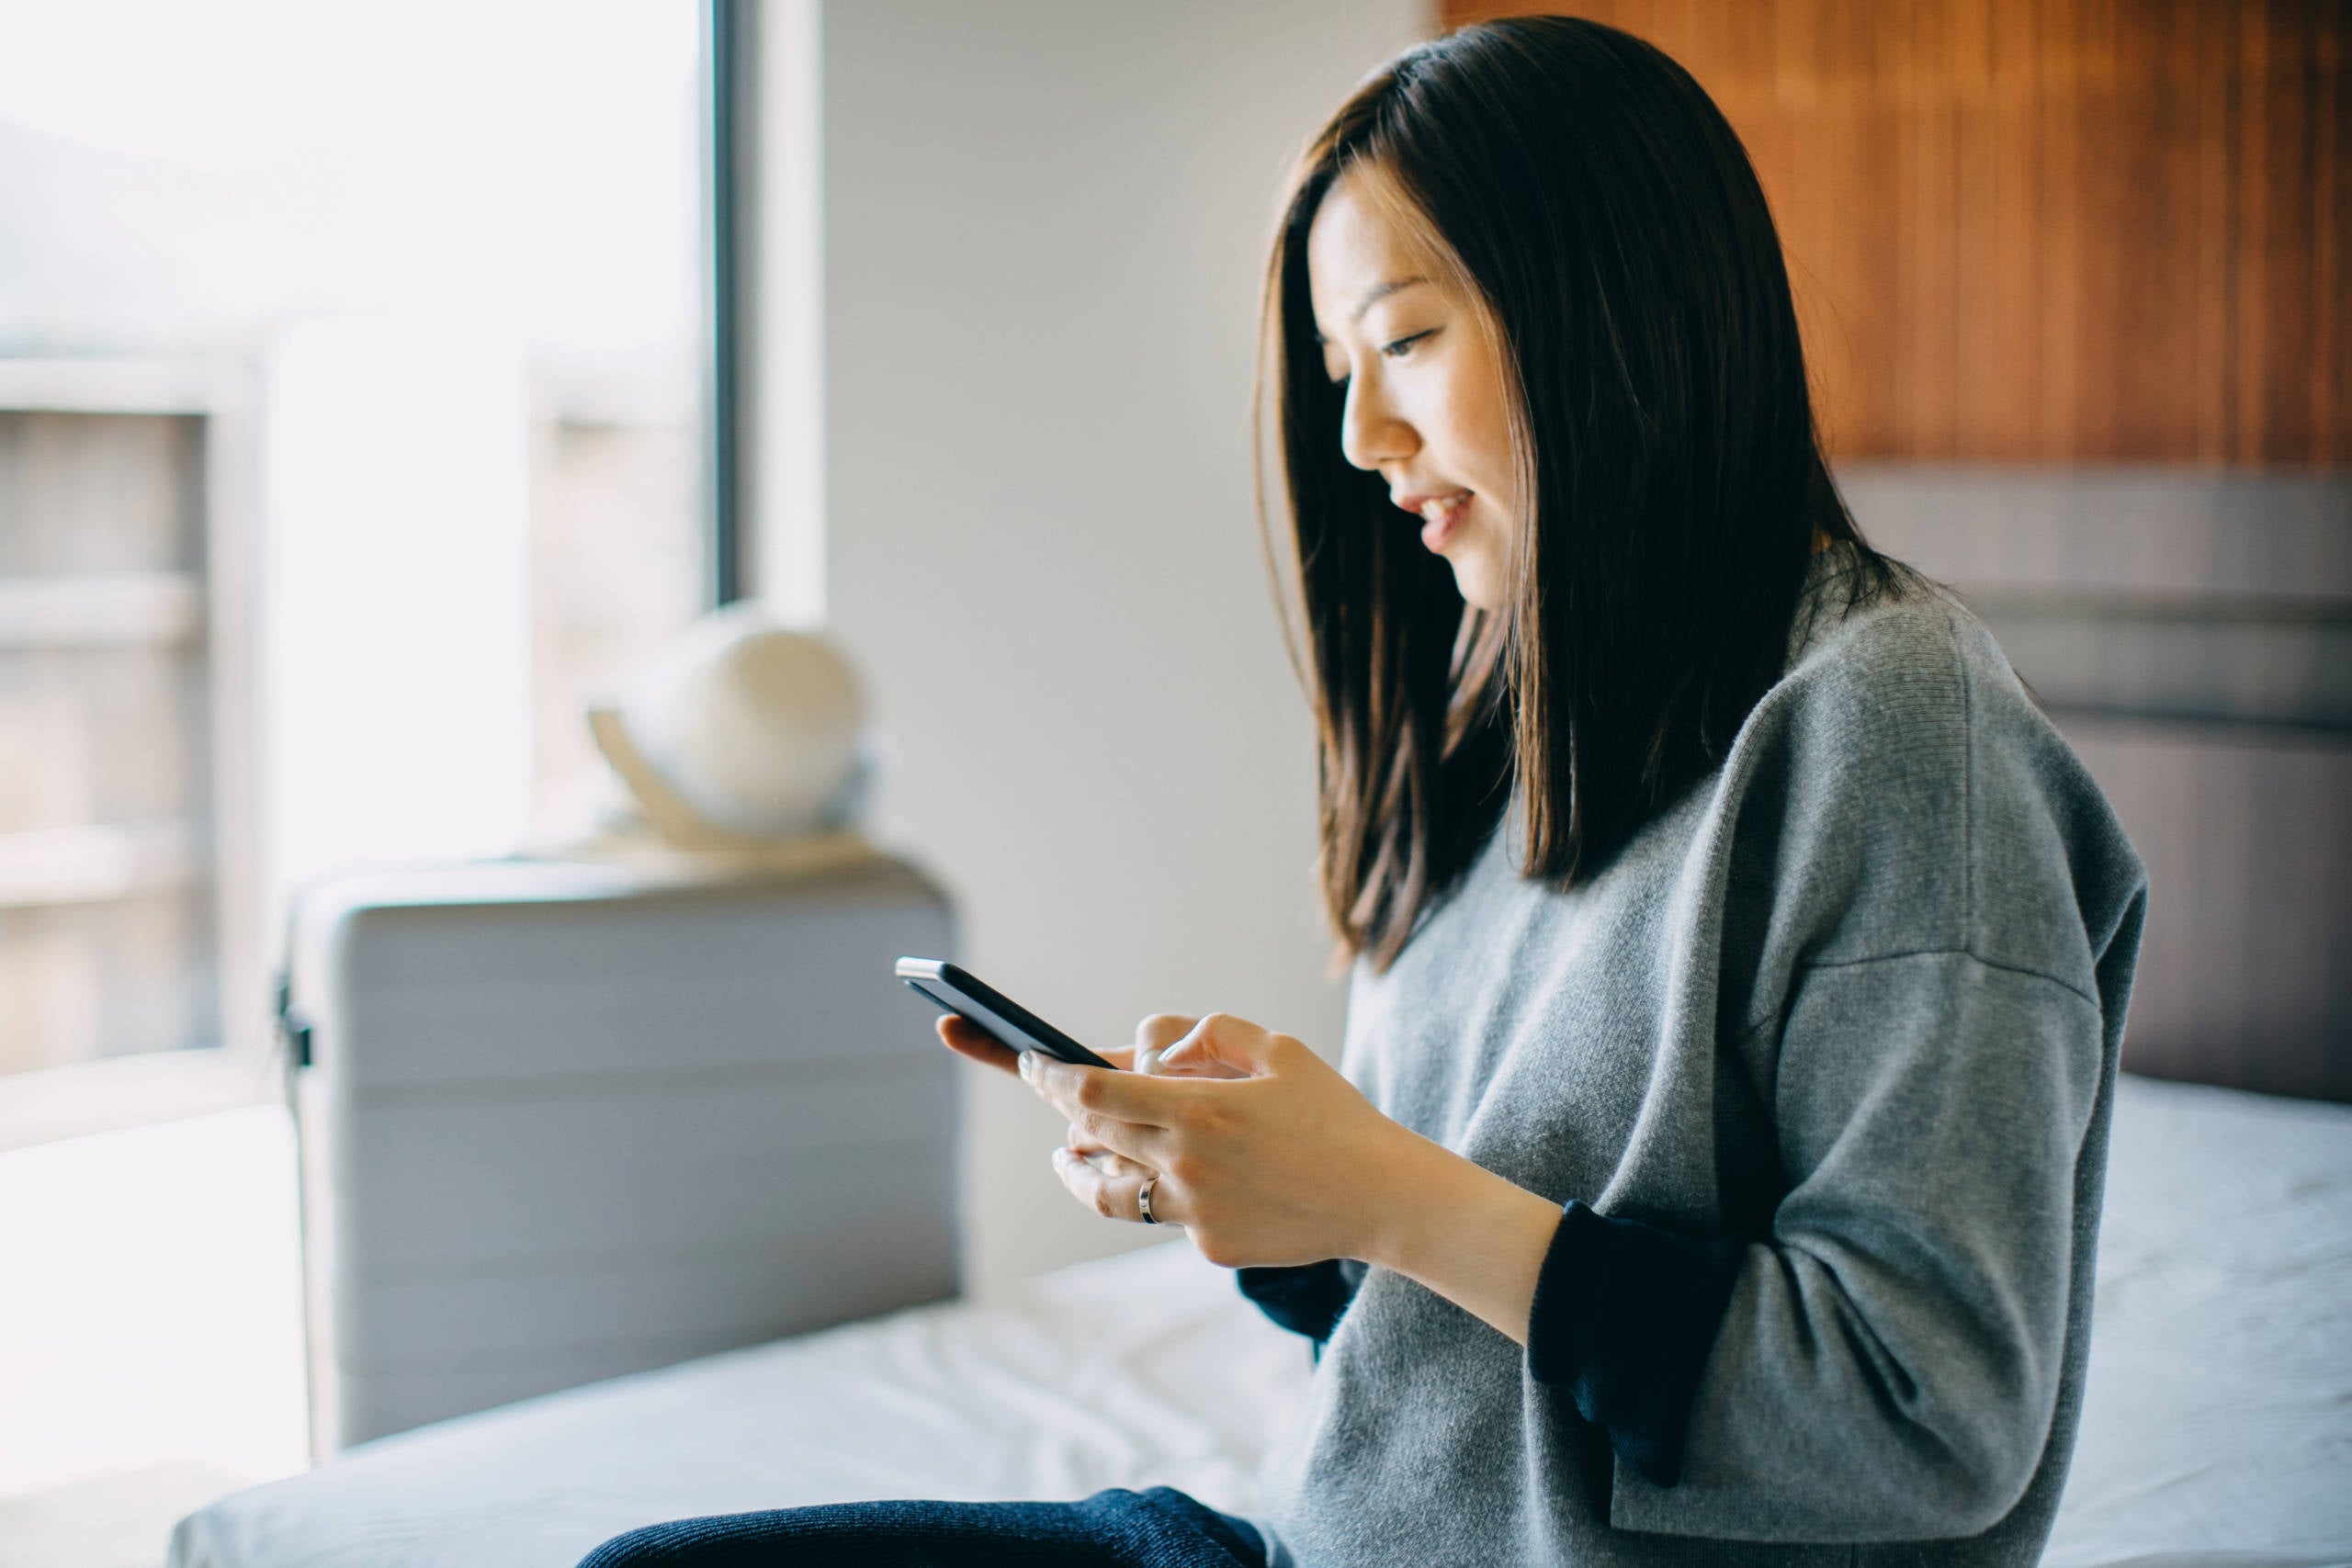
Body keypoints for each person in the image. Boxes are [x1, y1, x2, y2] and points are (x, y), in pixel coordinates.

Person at [580, 15, 2146, 1567]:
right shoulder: (1510, 719)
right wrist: (1276, 1193)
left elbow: (1924, 1420)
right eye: (1340, 367)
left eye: (1403, 341)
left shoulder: (1894, 729)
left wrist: (1391, 1196)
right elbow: (1472, 1337)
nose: (1357, 436)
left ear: (1614, 307)